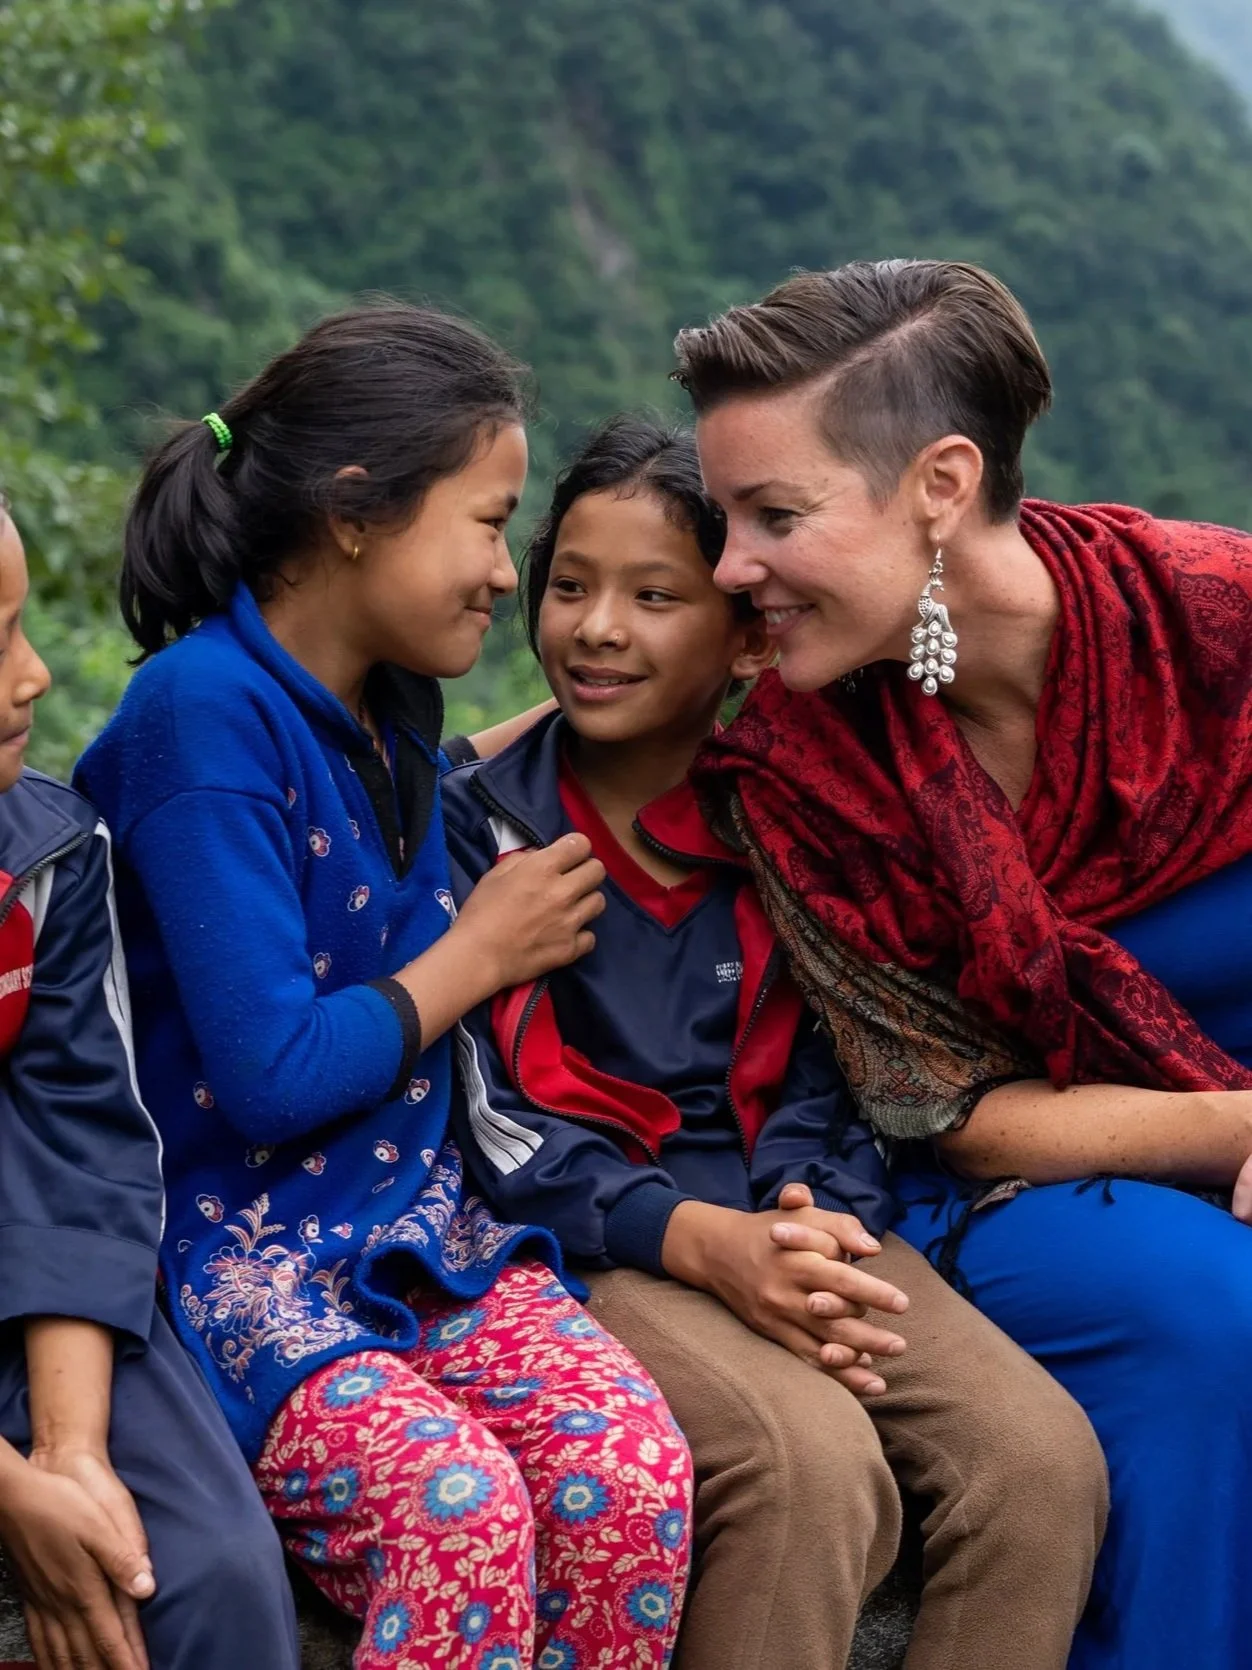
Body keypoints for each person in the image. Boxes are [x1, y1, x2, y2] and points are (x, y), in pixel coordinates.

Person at [75, 305, 693, 1670]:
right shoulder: (201, 718)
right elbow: (269, 1068)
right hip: (239, 1251)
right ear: (355, 515)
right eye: (487, 521)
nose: (500, 570)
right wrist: (478, 951)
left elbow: (459, 763)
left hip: (420, 1227)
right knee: (454, 1508)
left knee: (631, 1476)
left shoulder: (388, 698)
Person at [442, 416, 1107, 1670]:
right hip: (595, 1241)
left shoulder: (788, 824)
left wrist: (814, 1217)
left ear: (749, 635)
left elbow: (839, 1068)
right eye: (570, 587)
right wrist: (700, 1241)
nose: (596, 629)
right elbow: (493, 1122)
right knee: (811, 1468)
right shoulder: (485, 836)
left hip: (787, 1221)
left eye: (654, 596)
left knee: (1036, 1464)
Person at [673, 257, 1252, 1670]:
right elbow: (947, 1105)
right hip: (990, 1186)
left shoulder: (1211, 622)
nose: (731, 564)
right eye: (724, 517)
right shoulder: (805, 761)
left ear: (940, 483)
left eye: (776, 515)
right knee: (1209, 1314)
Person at [0, 497, 299, 1670]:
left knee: (214, 1569)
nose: (32, 676)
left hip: (37, 1290)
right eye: (0, 636)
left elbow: (82, 1147)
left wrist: (72, 1449)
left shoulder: (46, 859)